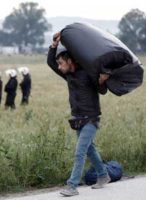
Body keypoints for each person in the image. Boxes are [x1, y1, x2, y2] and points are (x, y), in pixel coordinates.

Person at [47, 32, 110, 197]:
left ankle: (72, 186)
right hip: (77, 118)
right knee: (89, 149)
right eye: (59, 64)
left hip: (91, 118)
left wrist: (102, 81)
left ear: (69, 61)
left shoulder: (88, 73)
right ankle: (103, 175)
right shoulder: (68, 75)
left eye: (61, 63)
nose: (59, 67)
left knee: (80, 151)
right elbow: (50, 63)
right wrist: (54, 45)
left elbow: (102, 90)